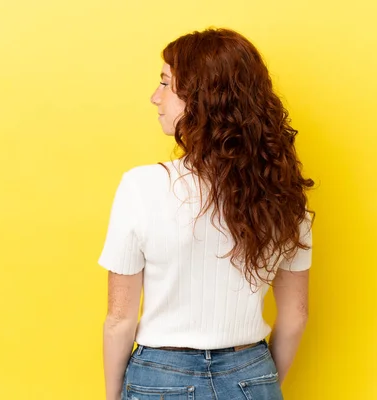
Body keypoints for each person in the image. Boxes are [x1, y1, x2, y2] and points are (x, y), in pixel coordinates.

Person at [99, 27, 314, 400]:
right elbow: (295, 317)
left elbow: (120, 320)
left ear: (201, 98)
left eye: (165, 83)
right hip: (252, 372)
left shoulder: (141, 186)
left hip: (160, 380)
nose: (155, 97)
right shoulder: (282, 195)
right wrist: (257, 382)